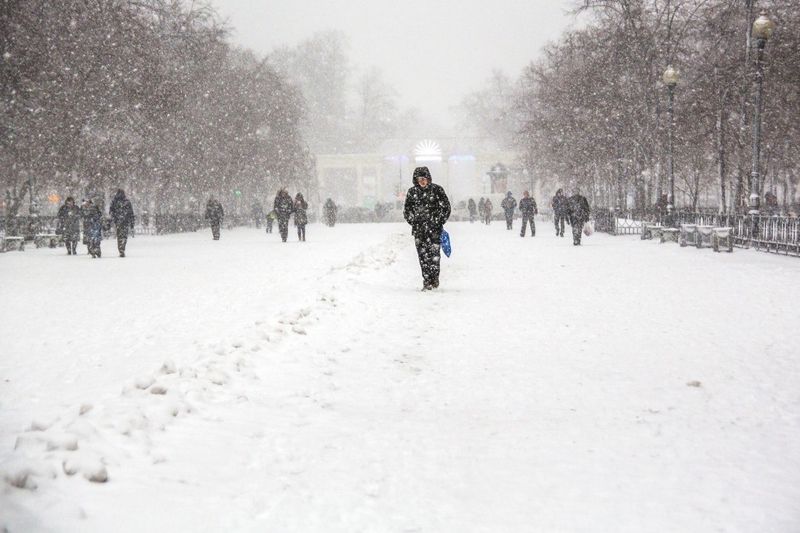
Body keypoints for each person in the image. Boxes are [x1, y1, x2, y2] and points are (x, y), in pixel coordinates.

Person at [403, 166, 451, 291]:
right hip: (419, 231)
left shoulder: (437, 190)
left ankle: (434, 279)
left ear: (428, 179)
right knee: (423, 257)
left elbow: (446, 208)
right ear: (416, 180)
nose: (422, 181)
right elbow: (407, 211)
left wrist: (438, 221)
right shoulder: (412, 192)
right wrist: (414, 221)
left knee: (434, 256)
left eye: (424, 179)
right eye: (419, 179)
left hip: (434, 230)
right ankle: (427, 280)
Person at [109, 189, 135, 257]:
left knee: (119, 236)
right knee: (124, 236)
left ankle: (121, 249)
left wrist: (114, 218)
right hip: (125, 221)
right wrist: (132, 223)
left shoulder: (114, 201)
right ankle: (122, 247)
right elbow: (131, 213)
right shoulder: (127, 202)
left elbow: (111, 211)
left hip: (118, 222)